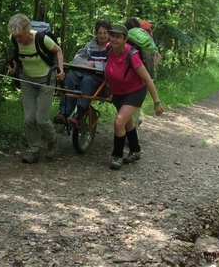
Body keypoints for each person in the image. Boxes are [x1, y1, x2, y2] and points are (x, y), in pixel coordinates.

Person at [104, 24, 164, 170]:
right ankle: (136, 150)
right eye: (112, 35)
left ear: (125, 39)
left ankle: (117, 156)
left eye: (118, 37)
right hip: (118, 92)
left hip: (135, 92)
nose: (114, 39)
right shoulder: (109, 48)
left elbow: (148, 79)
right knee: (128, 123)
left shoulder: (132, 55)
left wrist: (157, 102)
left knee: (119, 122)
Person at [8, 14, 65, 163]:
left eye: (20, 36)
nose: (18, 40)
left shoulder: (41, 39)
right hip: (27, 79)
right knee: (29, 119)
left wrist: (60, 70)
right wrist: (13, 67)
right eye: (16, 37)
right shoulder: (14, 39)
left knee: (41, 119)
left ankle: (53, 140)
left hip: (46, 79)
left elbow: (58, 51)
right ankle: (34, 150)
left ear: (28, 30)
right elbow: (17, 55)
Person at [54, 20, 111, 127]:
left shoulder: (112, 48)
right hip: (85, 73)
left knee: (87, 80)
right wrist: (85, 63)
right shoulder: (90, 45)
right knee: (70, 76)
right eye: (99, 33)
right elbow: (76, 58)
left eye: (105, 33)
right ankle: (64, 112)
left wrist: (96, 65)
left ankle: (78, 114)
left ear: (109, 34)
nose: (102, 35)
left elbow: (113, 65)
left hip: (101, 80)